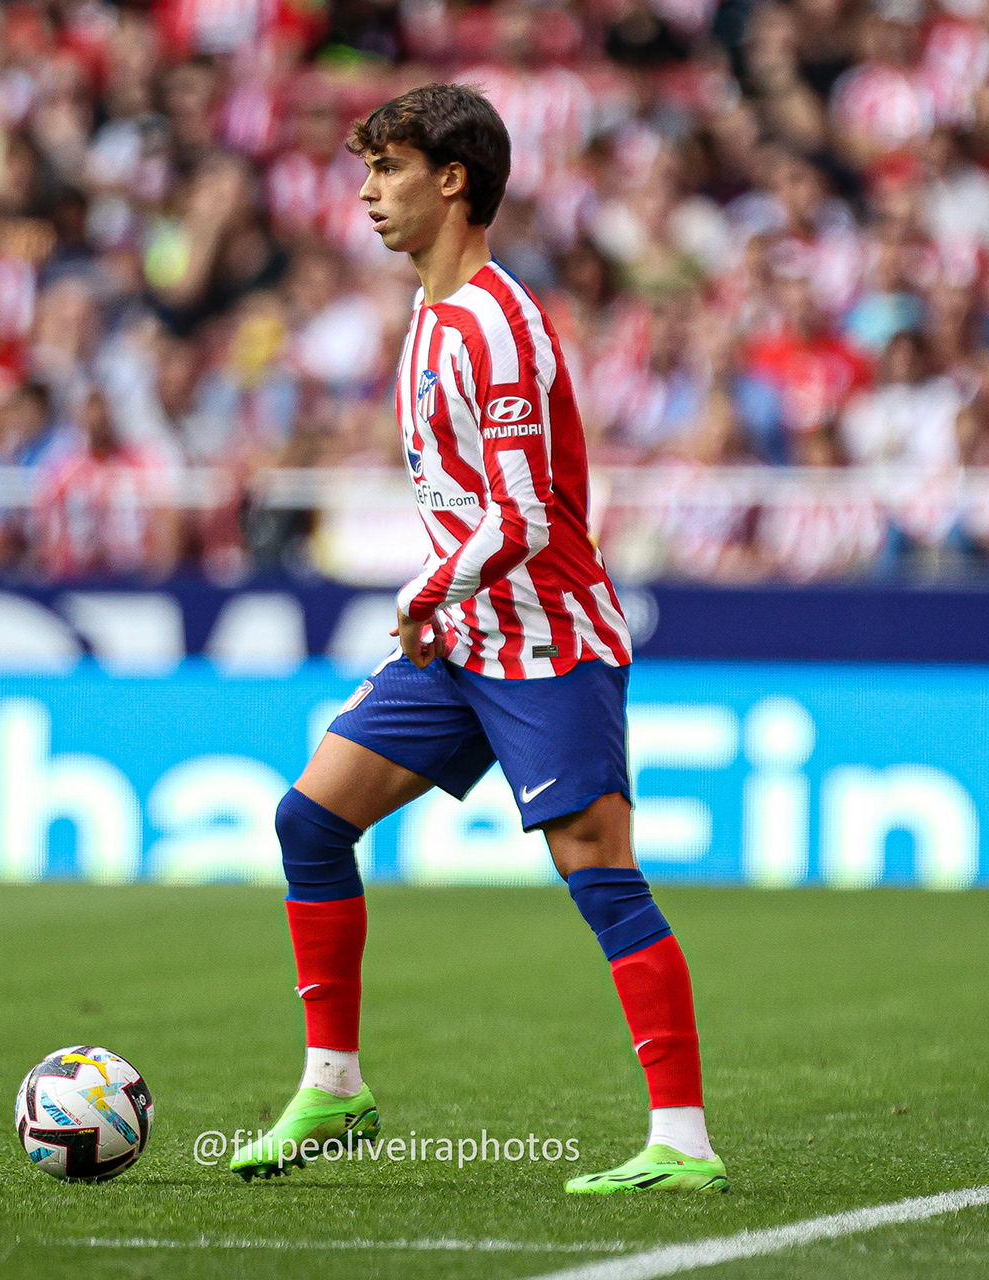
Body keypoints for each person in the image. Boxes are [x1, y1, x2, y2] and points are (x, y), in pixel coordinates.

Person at [225, 83, 726, 1196]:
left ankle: (683, 1142)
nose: (366, 192)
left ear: (452, 179)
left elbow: (527, 516)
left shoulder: (492, 322)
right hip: (463, 639)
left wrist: (421, 588)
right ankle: (335, 1083)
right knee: (309, 819)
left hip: (548, 639)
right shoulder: (432, 312)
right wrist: (441, 603)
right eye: (366, 171)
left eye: (388, 170)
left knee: (600, 872)